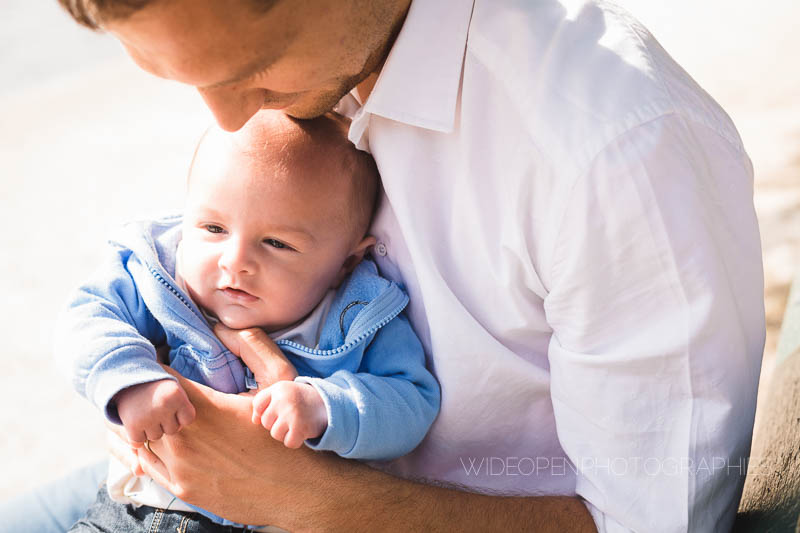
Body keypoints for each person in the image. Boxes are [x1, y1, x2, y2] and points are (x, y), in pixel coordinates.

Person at [5, 0, 764, 530]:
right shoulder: (324, 62)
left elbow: (652, 523)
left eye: (256, 70)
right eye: (182, 77)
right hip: (163, 476)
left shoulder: (611, 155)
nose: (231, 118)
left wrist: (302, 496)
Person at [59, 110, 440, 530]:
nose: (236, 260)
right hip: (144, 509)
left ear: (347, 262)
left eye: (276, 243)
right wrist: (131, 380)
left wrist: (323, 405)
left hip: (285, 517)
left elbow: (411, 402)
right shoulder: (162, 275)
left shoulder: (360, 318)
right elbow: (89, 314)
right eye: (213, 227)